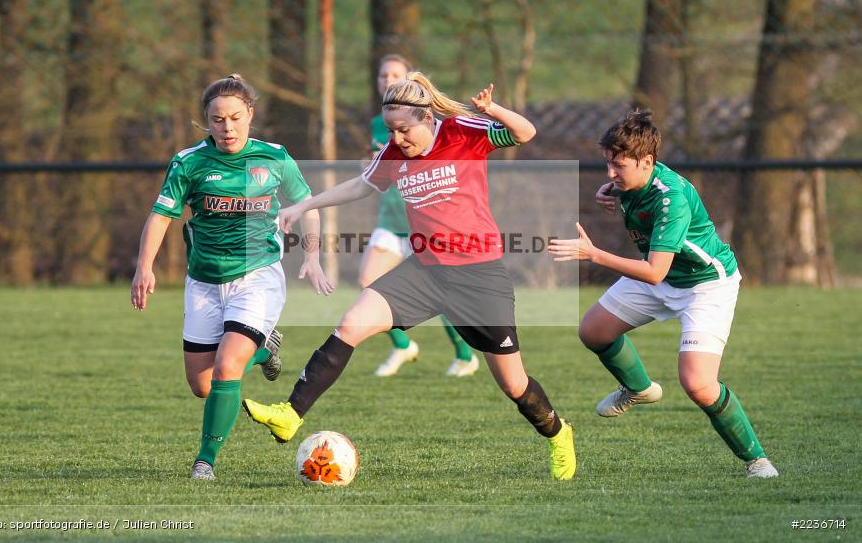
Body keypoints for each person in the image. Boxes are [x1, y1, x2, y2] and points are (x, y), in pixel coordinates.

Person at [242, 72, 576, 480]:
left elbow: (526, 132)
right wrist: (303, 207)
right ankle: (291, 414)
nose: (397, 139)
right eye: (391, 130)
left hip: (478, 276)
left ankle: (559, 434)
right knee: (351, 324)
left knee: (513, 384)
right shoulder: (394, 155)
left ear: (428, 118)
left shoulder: (463, 130)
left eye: (404, 129)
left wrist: (492, 111)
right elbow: (359, 187)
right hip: (425, 272)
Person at [548, 109, 778, 478]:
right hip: (663, 275)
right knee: (593, 330)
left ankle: (758, 461)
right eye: (608, 164)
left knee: (698, 385)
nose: (610, 173)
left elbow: (655, 272)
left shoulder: (672, 199)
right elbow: (653, 261)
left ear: (647, 162)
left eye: (617, 166)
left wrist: (593, 255)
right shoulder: (631, 180)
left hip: (705, 285)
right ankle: (638, 389)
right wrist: (610, 190)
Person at [130, 74, 333, 481]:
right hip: (204, 282)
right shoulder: (189, 162)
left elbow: (307, 204)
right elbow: (162, 215)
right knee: (203, 385)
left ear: (250, 115)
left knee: (227, 367)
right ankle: (266, 347)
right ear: (207, 121)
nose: (227, 127)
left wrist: (312, 256)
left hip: (257, 277)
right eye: (218, 119)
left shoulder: (274, 157)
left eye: (235, 118)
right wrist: (143, 266)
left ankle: (205, 461)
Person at [364, 54, 478, 377]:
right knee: (367, 280)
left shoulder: (431, 127)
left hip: (423, 221)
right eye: (383, 75)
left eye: (395, 75)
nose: (388, 81)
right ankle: (402, 345)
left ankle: (464, 353)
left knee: (443, 293)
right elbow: (378, 169)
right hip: (390, 218)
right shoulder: (378, 123)